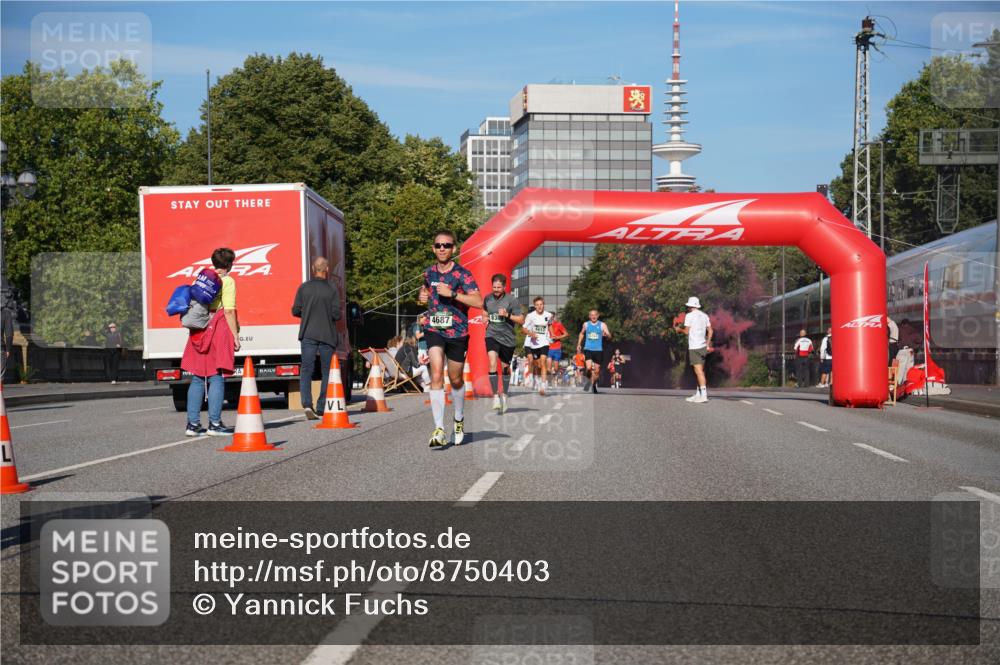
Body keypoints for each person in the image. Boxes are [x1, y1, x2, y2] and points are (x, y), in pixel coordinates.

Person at [418, 230, 483, 447]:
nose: (442, 249)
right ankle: (439, 429)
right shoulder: (428, 273)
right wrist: (422, 296)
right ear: (433, 249)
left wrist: (454, 295)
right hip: (434, 328)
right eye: (438, 245)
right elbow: (425, 292)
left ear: (453, 248)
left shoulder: (463, 274)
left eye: (446, 245)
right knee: (436, 372)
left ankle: (458, 418)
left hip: (458, 332)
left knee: (455, 379)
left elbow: (478, 301)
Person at [182, 248, 240, 436]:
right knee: (216, 376)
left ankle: (193, 424)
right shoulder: (228, 281)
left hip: (198, 328)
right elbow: (229, 311)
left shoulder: (200, 279)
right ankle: (214, 424)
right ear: (230, 264)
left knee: (198, 377)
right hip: (218, 326)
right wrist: (235, 336)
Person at [292, 257, 341, 420]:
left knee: (306, 369)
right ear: (326, 269)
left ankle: (307, 404)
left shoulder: (304, 288)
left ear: (314, 268)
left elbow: (295, 311)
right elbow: (336, 314)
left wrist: (306, 313)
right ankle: (321, 406)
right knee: (327, 371)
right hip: (327, 334)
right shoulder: (332, 289)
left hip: (308, 333)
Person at [483, 274, 524, 413]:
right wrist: (485, 317)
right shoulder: (488, 298)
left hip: (507, 338)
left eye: (499, 287)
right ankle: (495, 395)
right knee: (492, 362)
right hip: (491, 335)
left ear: (504, 287)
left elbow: (521, 320)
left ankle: (504, 395)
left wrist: (507, 315)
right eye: (494, 287)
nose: (496, 289)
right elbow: (484, 310)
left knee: (505, 368)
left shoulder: (512, 300)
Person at [673, 297, 712, 403]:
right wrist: (707, 343)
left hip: (695, 346)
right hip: (703, 346)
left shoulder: (689, 316)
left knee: (698, 371)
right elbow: (710, 331)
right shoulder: (704, 316)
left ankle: (703, 395)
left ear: (690, 306)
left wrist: (678, 329)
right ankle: (698, 393)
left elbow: (686, 332)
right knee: (700, 371)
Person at [522, 296, 554, 396]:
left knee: (543, 362)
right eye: (537, 305)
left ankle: (543, 385)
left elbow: (550, 325)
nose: (539, 306)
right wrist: (531, 334)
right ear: (535, 306)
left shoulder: (548, 315)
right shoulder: (530, 316)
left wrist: (552, 334)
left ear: (543, 305)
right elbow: (523, 329)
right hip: (534, 344)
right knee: (538, 364)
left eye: (541, 304)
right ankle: (536, 379)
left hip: (544, 342)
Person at [577, 309, 611, 394]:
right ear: (589, 316)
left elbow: (609, 335)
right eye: (591, 315)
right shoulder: (586, 324)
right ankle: (588, 381)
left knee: (597, 371)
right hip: (588, 348)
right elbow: (581, 333)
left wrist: (607, 335)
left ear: (598, 315)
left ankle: (593, 384)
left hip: (598, 350)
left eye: (595, 314)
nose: (593, 316)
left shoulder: (602, 325)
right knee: (588, 368)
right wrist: (579, 344)